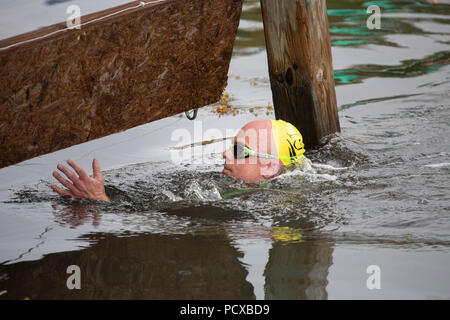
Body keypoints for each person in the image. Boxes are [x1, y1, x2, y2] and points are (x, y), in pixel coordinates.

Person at [51, 119, 305, 202]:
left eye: (239, 150)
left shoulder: (254, 206)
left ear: (270, 167)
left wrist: (100, 202)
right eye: (230, 146)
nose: (225, 154)